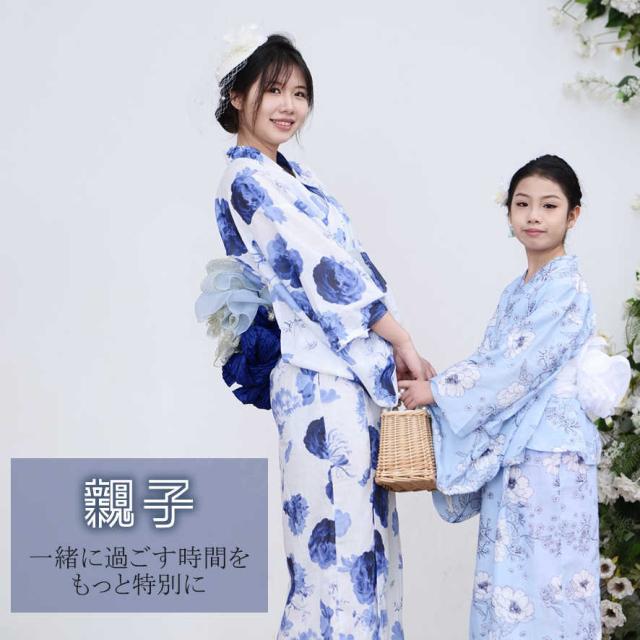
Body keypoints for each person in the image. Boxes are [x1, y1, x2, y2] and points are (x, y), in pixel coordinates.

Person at [211, 26, 426, 638]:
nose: (289, 106)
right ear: (237, 96)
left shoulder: (291, 173)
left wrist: (388, 347)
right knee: (333, 559)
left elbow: (350, 262)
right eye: (274, 90)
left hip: (346, 377)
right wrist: (400, 338)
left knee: (366, 552)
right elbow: (323, 271)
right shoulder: (247, 180)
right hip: (317, 382)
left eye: (300, 94)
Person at [398, 155, 630, 639]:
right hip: (519, 450)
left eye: (549, 205)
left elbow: (518, 366)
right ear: (508, 213)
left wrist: (438, 391)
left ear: (573, 215)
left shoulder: (565, 286)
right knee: (511, 582)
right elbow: (495, 360)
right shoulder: (517, 290)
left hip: (551, 454)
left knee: (549, 584)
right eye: (522, 204)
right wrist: (440, 384)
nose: (533, 216)